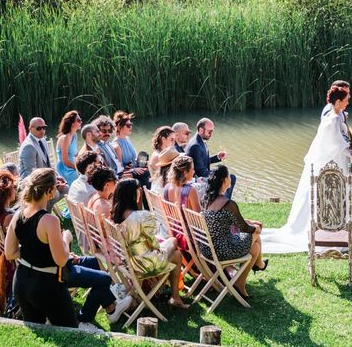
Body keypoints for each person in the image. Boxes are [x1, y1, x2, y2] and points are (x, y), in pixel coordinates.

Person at [261, 85, 352, 253]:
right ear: (338, 102)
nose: (348, 101)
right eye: (346, 99)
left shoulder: (335, 116)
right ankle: (337, 230)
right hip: (334, 162)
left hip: (335, 161)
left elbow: (340, 140)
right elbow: (336, 144)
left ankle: (341, 229)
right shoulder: (333, 119)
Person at [4, 168, 78, 327]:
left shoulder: (18, 215)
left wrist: (30, 250)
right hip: (46, 286)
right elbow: (61, 259)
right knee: (71, 331)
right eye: (56, 186)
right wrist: (66, 238)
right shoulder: (50, 220)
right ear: (49, 191)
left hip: (22, 282)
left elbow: (10, 253)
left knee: (37, 332)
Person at [111, 179, 188, 309]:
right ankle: (174, 296)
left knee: (176, 254)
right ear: (134, 195)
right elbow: (154, 244)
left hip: (128, 263)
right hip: (144, 265)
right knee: (174, 243)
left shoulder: (115, 216)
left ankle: (171, 294)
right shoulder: (143, 215)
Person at [202, 165, 267, 299]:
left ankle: (243, 280)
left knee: (255, 248)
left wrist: (250, 222)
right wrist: (256, 228)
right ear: (225, 180)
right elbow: (244, 228)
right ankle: (257, 266)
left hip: (207, 249)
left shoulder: (206, 200)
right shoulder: (228, 203)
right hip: (223, 251)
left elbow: (228, 222)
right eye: (228, 176)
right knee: (255, 234)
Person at [186, 118, 235, 199]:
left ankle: (223, 201)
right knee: (230, 177)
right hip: (199, 179)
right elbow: (201, 171)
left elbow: (203, 160)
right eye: (209, 131)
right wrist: (217, 176)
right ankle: (223, 203)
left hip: (202, 175)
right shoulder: (196, 145)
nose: (211, 134)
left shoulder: (199, 140)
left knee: (228, 176)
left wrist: (217, 157)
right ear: (201, 130)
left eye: (212, 131)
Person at [56, 111, 82, 186]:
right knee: (83, 177)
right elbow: (65, 161)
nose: (81, 122)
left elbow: (76, 154)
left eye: (81, 120)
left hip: (73, 165)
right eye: (79, 120)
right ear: (72, 123)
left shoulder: (74, 135)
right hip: (65, 169)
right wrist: (78, 169)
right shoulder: (65, 138)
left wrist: (81, 164)